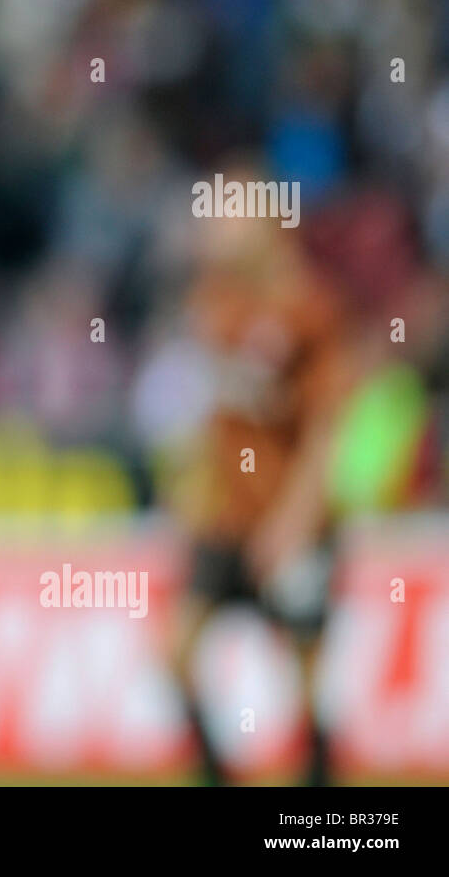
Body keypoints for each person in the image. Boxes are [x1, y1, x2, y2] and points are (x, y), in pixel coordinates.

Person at [169, 167, 355, 786]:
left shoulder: (312, 308)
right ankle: (217, 776)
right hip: (229, 519)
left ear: (268, 221)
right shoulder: (215, 302)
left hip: (290, 518)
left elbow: (327, 429)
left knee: (305, 668)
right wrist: (195, 489)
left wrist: (295, 522)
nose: (216, 227)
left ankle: (321, 795)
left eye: (229, 213)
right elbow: (214, 415)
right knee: (173, 650)